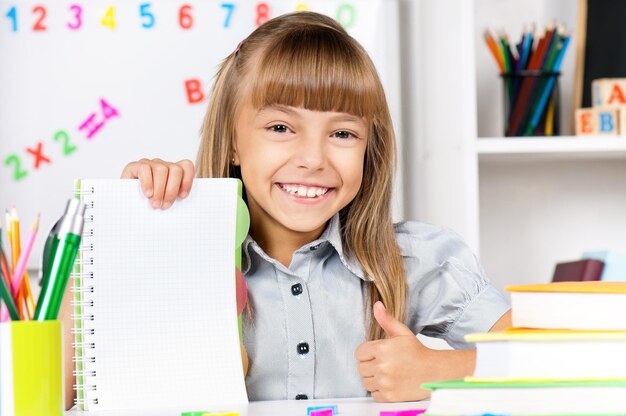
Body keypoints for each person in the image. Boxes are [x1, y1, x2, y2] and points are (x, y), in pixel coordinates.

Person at [63, 11, 511, 408]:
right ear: (235, 141)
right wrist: (122, 233)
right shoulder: (178, 256)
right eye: (280, 127)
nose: (313, 158)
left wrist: (447, 369)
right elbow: (59, 391)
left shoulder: (417, 260)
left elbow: (561, 364)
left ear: (368, 147)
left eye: (343, 134)